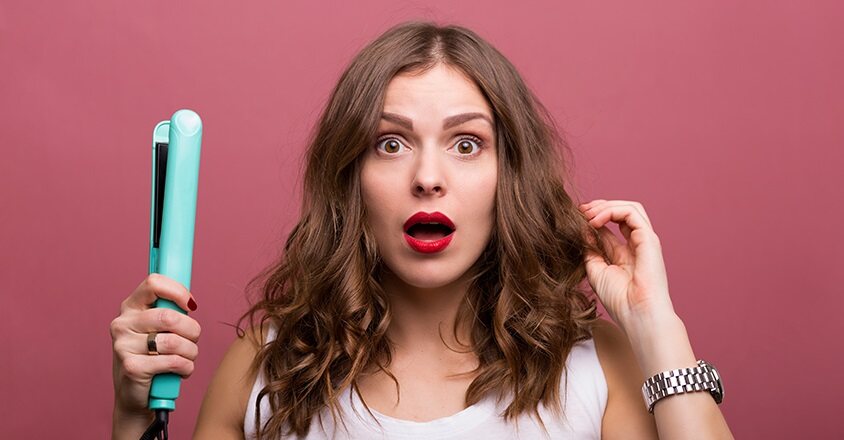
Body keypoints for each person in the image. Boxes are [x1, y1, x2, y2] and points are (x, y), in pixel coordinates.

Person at [111, 21, 734, 439]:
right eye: (390, 143)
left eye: (466, 144)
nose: (428, 177)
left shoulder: (600, 369)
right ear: (350, 175)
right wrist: (134, 414)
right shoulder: (268, 368)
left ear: (507, 175)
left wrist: (658, 328)